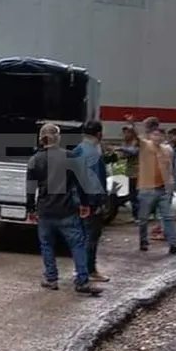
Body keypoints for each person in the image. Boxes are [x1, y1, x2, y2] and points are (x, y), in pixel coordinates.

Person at [26, 123, 101, 296]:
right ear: (58, 137)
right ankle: (82, 281)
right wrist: (85, 204)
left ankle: (51, 279)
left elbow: (30, 188)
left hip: (45, 210)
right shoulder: (69, 156)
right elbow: (81, 183)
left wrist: (30, 208)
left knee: (47, 245)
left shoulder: (35, 159)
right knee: (77, 244)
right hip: (67, 210)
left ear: (41, 138)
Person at [136, 117, 176, 255]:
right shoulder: (146, 146)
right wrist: (133, 124)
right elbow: (137, 137)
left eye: (160, 135)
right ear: (150, 136)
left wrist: (170, 185)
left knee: (167, 217)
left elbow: (169, 168)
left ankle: (174, 244)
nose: (157, 137)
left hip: (163, 188)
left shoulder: (167, 150)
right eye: (155, 134)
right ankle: (143, 241)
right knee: (143, 218)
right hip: (147, 188)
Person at [68, 120, 109, 282]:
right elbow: (95, 181)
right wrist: (97, 203)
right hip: (90, 201)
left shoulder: (77, 150)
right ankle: (87, 270)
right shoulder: (94, 153)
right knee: (91, 236)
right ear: (99, 134)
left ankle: (81, 268)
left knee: (81, 236)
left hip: (76, 199)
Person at [116, 125, 140, 221]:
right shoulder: (127, 144)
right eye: (124, 133)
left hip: (137, 173)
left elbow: (133, 152)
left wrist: (120, 148)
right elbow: (123, 156)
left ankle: (138, 216)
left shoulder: (136, 143)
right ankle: (136, 215)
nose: (125, 135)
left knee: (136, 195)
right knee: (132, 195)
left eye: (127, 132)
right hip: (130, 173)